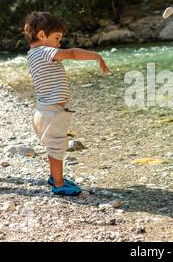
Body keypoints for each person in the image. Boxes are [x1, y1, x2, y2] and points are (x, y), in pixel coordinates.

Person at [24, 12, 110, 196]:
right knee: (56, 147)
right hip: (51, 112)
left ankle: (54, 176)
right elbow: (70, 53)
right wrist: (96, 56)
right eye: (56, 38)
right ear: (41, 35)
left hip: (43, 110)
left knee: (55, 146)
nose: (58, 43)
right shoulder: (45, 51)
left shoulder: (32, 54)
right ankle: (59, 183)